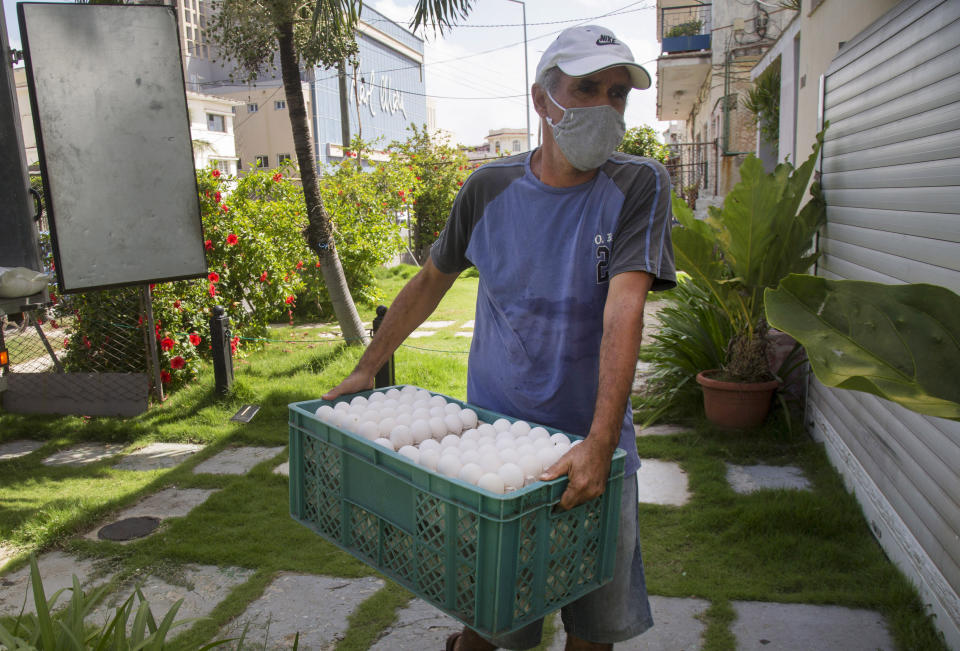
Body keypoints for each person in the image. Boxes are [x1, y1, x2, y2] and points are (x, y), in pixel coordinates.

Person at [324, 24, 676, 651]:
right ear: (544, 100)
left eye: (618, 94)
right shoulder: (488, 188)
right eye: (587, 88)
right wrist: (367, 366)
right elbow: (428, 283)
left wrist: (598, 445)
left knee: (594, 634)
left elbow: (625, 310)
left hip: (597, 451)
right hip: (493, 451)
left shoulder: (637, 185)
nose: (605, 107)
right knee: (493, 630)